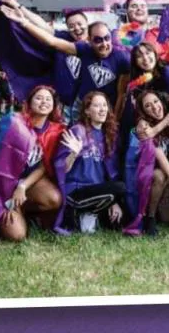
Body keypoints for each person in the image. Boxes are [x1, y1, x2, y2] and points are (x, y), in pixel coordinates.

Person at [0, 86, 65, 242]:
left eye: (48, 99)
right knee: (17, 235)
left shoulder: (55, 131)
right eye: (39, 98)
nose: (44, 102)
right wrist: (9, 194)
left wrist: (22, 187)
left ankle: (22, 208)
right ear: (29, 102)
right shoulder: (13, 123)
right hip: (3, 187)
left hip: (29, 184)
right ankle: (4, 210)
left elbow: (44, 166)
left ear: (54, 105)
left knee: (54, 198)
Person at [1, 6, 131, 120]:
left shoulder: (121, 57)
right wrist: (23, 22)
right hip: (81, 106)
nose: (104, 44)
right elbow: (52, 41)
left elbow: (122, 93)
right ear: (90, 41)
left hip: (105, 108)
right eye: (98, 40)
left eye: (107, 38)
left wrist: (115, 118)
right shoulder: (84, 49)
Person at [0, 0, 88, 117]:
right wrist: (18, 6)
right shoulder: (63, 38)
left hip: (86, 106)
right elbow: (41, 25)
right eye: (71, 26)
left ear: (87, 23)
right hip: (62, 104)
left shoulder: (97, 44)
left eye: (79, 24)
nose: (76, 28)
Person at [53, 91, 127, 233]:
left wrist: (114, 202)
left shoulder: (109, 135)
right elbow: (63, 169)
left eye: (105, 105)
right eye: (97, 106)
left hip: (96, 191)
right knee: (120, 187)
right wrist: (74, 153)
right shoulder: (77, 131)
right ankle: (79, 213)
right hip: (76, 191)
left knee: (118, 224)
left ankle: (87, 215)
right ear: (87, 111)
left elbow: (111, 173)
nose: (102, 109)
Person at [124, 90, 169, 236]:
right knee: (158, 175)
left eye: (156, 102)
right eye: (148, 106)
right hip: (149, 174)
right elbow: (158, 153)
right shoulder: (144, 126)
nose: (155, 107)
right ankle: (149, 218)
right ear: (143, 111)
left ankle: (163, 204)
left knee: (168, 217)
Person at [117, 42, 169, 165]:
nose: (145, 58)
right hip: (156, 124)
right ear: (135, 62)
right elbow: (139, 107)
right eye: (139, 56)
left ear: (154, 53)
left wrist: (154, 130)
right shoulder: (139, 79)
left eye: (148, 53)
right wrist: (141, 122)